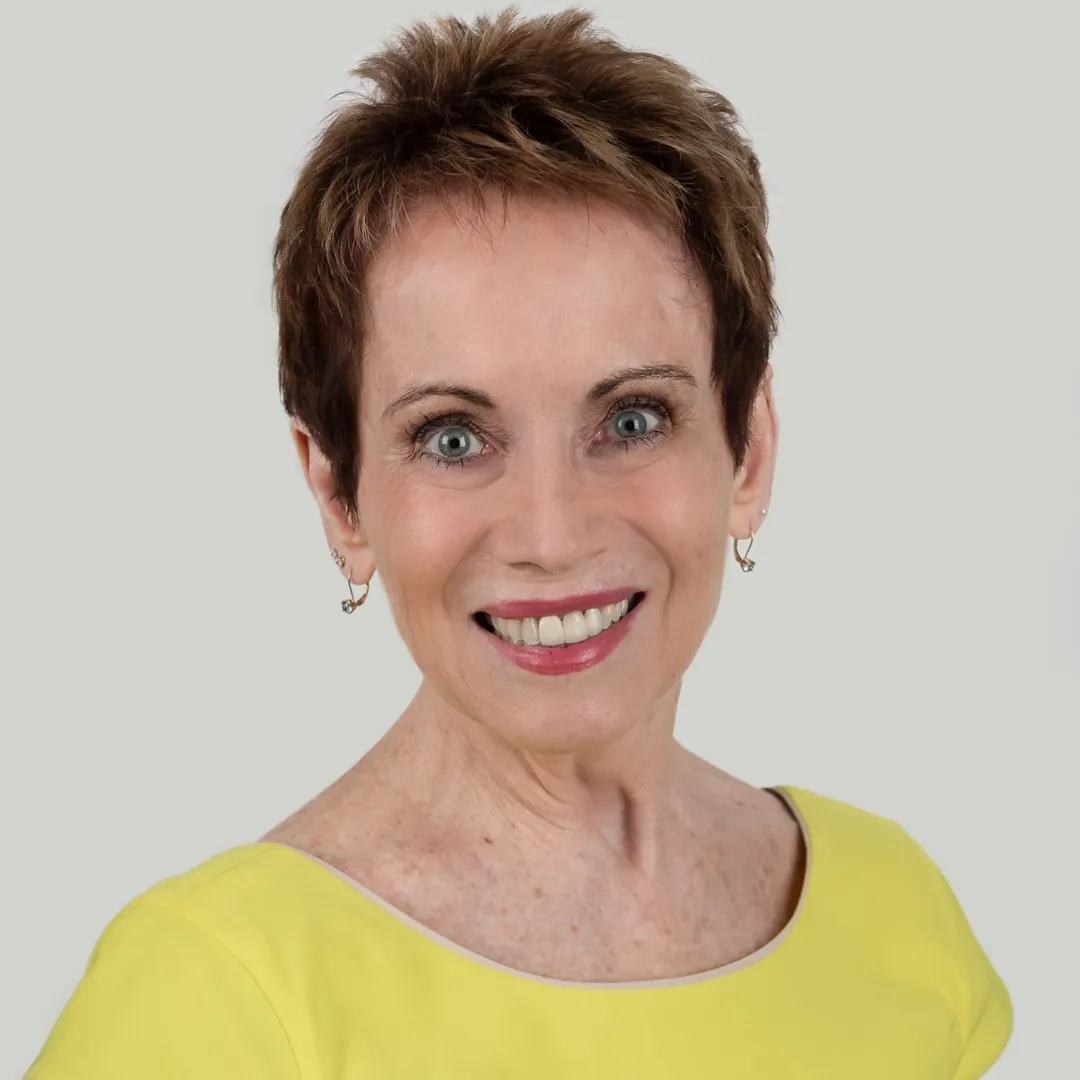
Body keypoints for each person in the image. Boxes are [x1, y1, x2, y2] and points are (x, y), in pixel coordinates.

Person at [25, 7, 1013, 1078]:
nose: (552, 533)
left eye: (632, 419)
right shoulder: (214, 994)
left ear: (750, 450)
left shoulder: (893, 918)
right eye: (453, 437)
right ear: (339, 494)